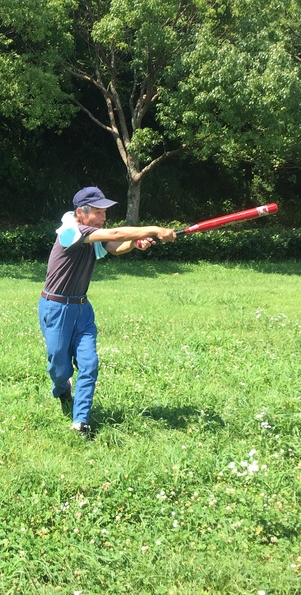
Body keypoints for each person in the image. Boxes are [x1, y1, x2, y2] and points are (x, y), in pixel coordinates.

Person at [39, 186, 177, 438]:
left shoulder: (91, 235)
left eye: (104, 213)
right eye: (99, 212)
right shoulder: (71, 231)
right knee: (59, 368)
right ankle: (62, 388)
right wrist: (155, 229)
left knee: (89, 364)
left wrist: (134, 243)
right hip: (56, 307)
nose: (104, 217)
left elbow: (114, 246)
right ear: (81, 213)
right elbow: (114, 233)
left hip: (82, 309)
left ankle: (80, 421)